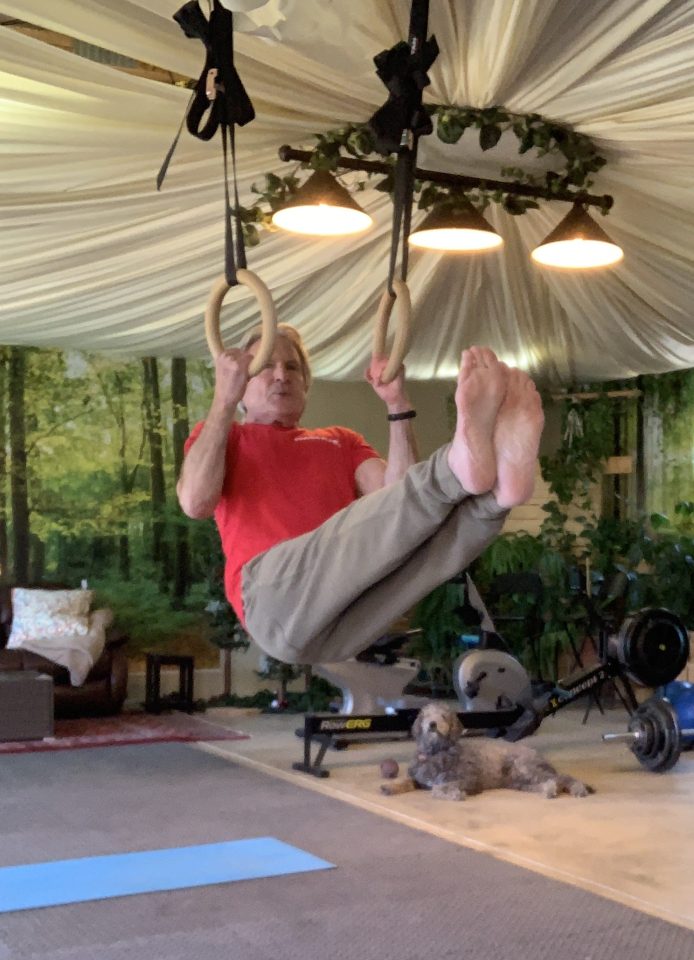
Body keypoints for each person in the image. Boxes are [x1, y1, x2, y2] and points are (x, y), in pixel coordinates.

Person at [177, 324, 544, 664]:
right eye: (265, 366)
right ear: (242, 382)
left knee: (421, 552)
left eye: (292, 367)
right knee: (366, 527)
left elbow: (398, 503)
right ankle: (456, 468)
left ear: (305, 384)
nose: (281, 375)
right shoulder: (226, 437)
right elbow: (195, 502)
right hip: (273, 600)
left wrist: (397, 404)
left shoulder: (340, 440)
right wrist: (223, 401)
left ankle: (495, 498)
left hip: (345, 621)